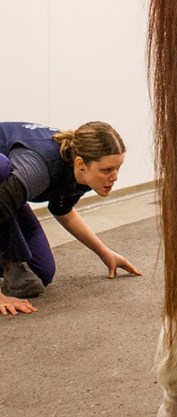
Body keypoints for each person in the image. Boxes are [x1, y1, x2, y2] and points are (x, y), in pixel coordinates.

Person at [0, 121, 142, 316]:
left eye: (118, 168)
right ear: (81, 164)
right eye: (107, 170)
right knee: (1, 166)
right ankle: (9, 261)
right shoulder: (39, 168)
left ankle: (10, 259)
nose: (115, 177)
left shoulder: (78, 173)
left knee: (41, 272)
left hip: (5, 195)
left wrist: (104, 252)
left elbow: (63, 211)